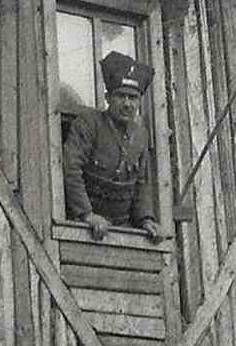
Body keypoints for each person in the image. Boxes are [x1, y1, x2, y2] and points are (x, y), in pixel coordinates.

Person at [62, 52, 163, 242]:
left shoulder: (140, 135)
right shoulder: (89, 124)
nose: (127, 104)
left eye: (133, 98)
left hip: (121, 229)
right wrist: (87, 214)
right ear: (108, 98)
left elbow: (141, 184)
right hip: (83, 225)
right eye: (121, 96)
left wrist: (145, 219)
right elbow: (71, 168)